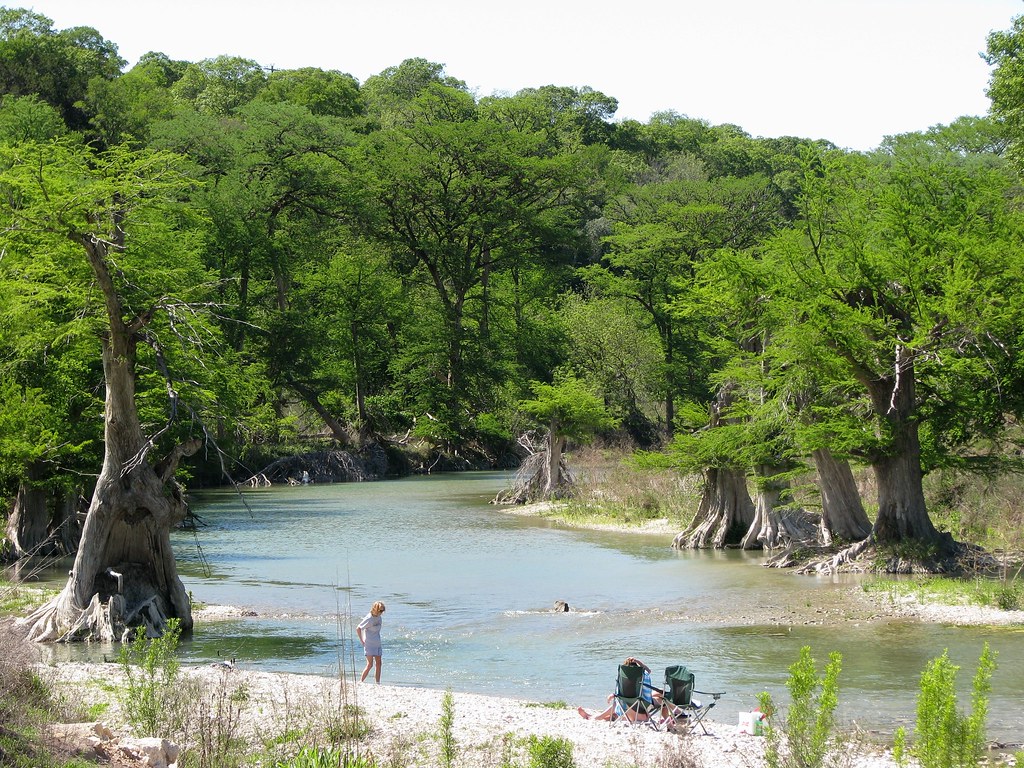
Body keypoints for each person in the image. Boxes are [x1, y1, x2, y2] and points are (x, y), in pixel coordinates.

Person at [577, 656, 662, 721]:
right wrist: (637, 660)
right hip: (641, 711)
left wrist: (613, 695)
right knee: (661, 696)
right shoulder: (643, 675)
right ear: (638, 668)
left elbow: (619, 695)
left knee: (617, 704)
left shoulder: (623, 679)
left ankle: (594, 717)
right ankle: (594, 717)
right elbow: (648, 670)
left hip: (624, 710)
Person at [356, 600, 386, 683]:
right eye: (380, 610)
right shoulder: (369, 618)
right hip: (369, 644)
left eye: (383, 610)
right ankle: (361, 681)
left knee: (379, 663)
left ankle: (377, 683)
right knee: (370, 664)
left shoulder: (379, 617)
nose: (382, 612)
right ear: (375, 609)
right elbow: (358, 628)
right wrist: (362, 641)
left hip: (377, 643)